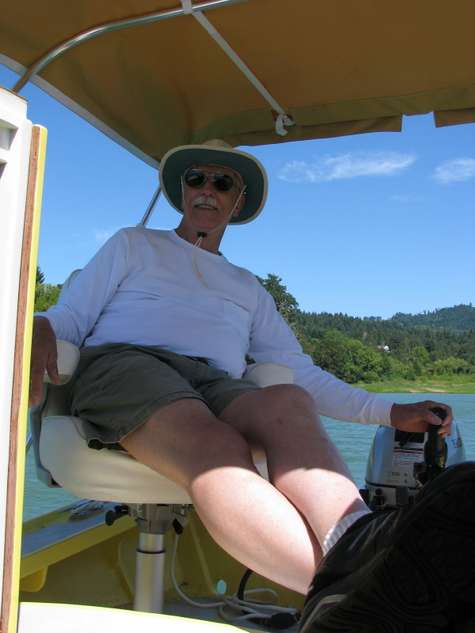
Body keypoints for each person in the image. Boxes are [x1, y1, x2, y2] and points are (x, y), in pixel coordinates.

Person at [29, 140, 473, 630]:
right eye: (196, 179)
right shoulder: (133, 244)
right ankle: (361, 594)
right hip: (126, 363)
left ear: (237, 202)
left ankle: (358, 546)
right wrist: (41, 325)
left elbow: (300, 371)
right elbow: (71, 316)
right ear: (183, 191)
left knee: (288, 399)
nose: (207, 189)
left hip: (214, 381)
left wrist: (389, 412)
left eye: (223, 183)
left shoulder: (247, 287)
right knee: (217, 446)